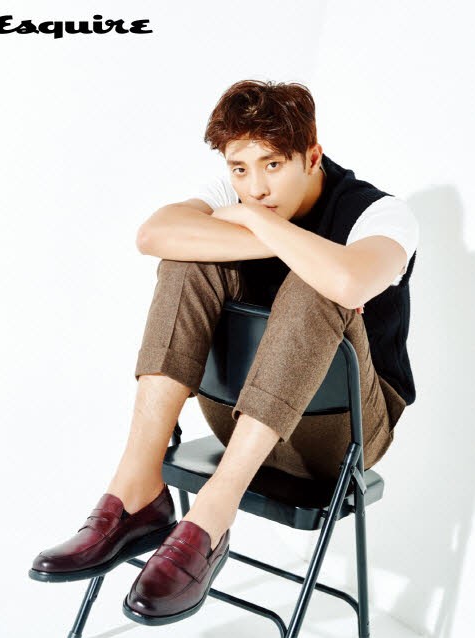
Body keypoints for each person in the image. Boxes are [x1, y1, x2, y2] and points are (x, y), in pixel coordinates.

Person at [29, 79, 419, 625]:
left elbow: (351, 282)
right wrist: (271, 233)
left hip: (339, 437)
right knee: (187, 260)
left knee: (320, 282)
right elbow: (153, 235)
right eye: (240, 169)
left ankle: (213, 514)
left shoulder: (381, 214)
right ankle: (136, 490)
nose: (255, 188)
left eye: (273, 165)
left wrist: (259, 222)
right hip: (236, 419)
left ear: (312, 156)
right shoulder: (231, 189)